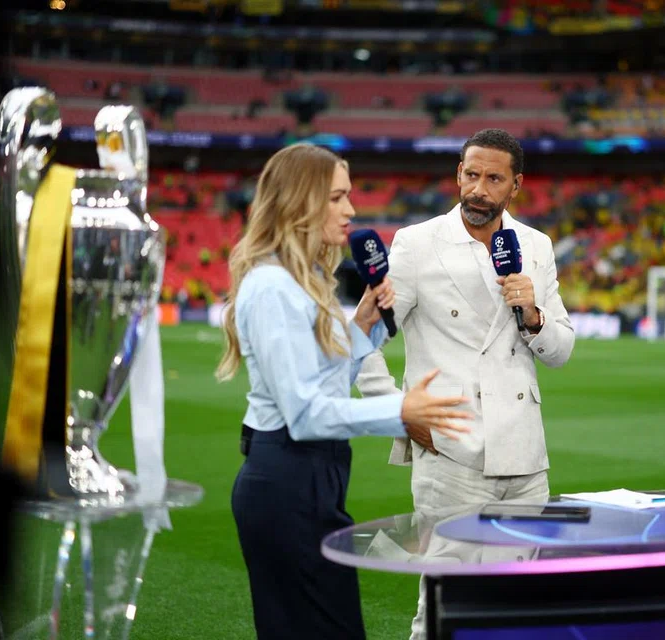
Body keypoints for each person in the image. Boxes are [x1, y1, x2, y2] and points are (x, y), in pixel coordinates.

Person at [215, 143, 471, 640]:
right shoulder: (272, 287)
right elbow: (305, 413)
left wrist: (365, 327)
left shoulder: (304, 277)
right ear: (299, 202)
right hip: (287, 477)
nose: (351, 210)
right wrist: (400, 409)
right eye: (336, 198)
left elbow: (322, 377)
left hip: (310, 478)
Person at [356, 128, 575, 638]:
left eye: (493, 178)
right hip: (451, 451)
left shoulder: (536, 247)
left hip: (524, 455)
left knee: (516, 604)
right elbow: (364, 337)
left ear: (515, 185)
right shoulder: (416, 243)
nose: (478, 188)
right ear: (458, 174)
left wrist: (533, 312)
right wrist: (396, 409)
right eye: (470, 175)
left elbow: (561, 350)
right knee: (442, 603)